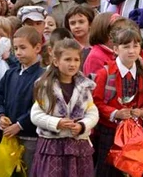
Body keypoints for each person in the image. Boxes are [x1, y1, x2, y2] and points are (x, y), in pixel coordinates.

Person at [93, 28, 143, 177]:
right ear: (115, 49)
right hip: (110, 131)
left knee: (133, 171)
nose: (131, 51)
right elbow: (96, 102)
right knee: (107, 171)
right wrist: (115, 113)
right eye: (126, 46)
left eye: (135, 46)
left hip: (135, 132)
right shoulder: (105, 73)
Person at [30, 38, 98, 177]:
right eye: (67, 59)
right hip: (52, 147)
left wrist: (82, 125)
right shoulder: (45, 86)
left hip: (79, 147)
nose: (72, 64)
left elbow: (92, 112)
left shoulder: (84, 87)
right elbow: (35, 114)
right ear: (56, 61)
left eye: (76, 60)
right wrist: (56, 123)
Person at [0, 27, 46, 172]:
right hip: (9, 135)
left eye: (23, 47)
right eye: (15, 48)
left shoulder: (43, 76)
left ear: (37, 48)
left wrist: (20, 125)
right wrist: (0, 115)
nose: (18, 52)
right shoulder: (11, 73)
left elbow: (40, 106)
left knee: (28, 171)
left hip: (30, 137)